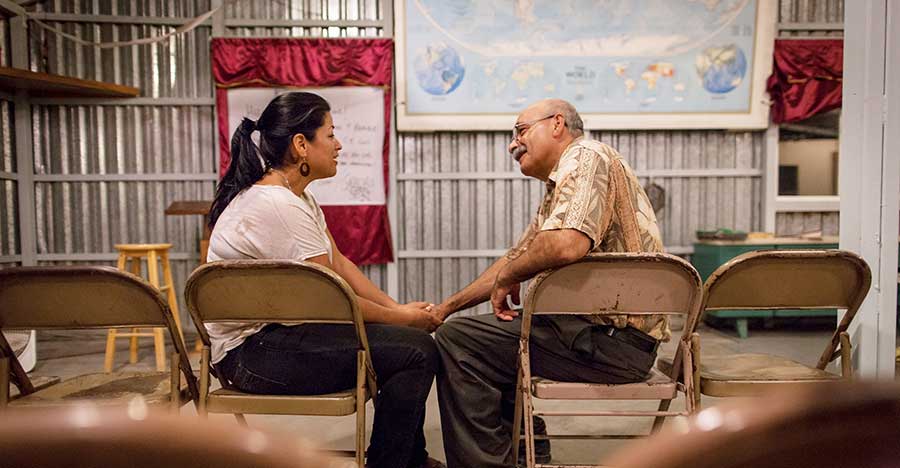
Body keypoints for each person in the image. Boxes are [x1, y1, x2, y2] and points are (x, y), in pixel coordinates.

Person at [206, 92, 444, 468]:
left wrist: (397, 309)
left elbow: (342, 265)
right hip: (250, 357)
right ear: (301, 145)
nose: (339, 144)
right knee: (415, 350)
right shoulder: (278, 205)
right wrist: (407, 320)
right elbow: (332, 301)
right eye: (330, 134)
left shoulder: (297, 198)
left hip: (270, 340)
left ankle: (405, 457)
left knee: (408, 342)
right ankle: (395, 461)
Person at [431, 99, 667, 468]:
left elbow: (565, 244)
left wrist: (512, 276)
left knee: (460, 340)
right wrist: (445, 309)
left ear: (557, 124)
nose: (513, 144)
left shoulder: (586, 155)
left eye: (520, 130)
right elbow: (516, 258)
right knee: (483, 333)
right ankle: (527, 456)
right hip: (595, 339)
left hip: (610, 344)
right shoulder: (560, 189)